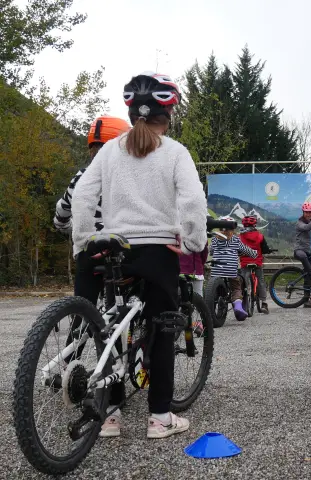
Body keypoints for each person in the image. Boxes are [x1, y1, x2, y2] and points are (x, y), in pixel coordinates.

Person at [72, 71, 207, 440]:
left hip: (113, 246)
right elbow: (193, 201)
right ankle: (160, 418)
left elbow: (83, 196)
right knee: (163, 328)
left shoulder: (111, 151)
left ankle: (110, 416)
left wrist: (84, 240)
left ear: (132, 113)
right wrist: (194, 242)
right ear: (169, 114)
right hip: (158, 250)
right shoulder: (175, 152)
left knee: (111, 326)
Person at [54, 115, 131, 304]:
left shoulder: (82, 176)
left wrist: (67, 227)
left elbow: (62, 211)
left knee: (82, 305)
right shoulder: (130, 178)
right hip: (120, 250)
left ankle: (79, 329)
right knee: (120, 311)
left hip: (88, 250)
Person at [209, 215, 257, 320]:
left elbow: (211, 251)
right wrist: (254, 253)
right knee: (236, 287)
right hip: (230, 269)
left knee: (214, 290)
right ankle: (238, 307)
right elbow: (246, 250)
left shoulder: (214, 239)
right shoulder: (235, 239)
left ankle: (211, 310)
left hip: (216, 270)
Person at [239, 214, 272, 314]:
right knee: (261, 280)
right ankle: (264, 303)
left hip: (245, 262)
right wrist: (268, 251)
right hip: (257, 261)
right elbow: (265, 249)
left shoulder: (240, 237)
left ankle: (241, 301)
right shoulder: (260, 236)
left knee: (243, 281)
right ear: (255, 225)